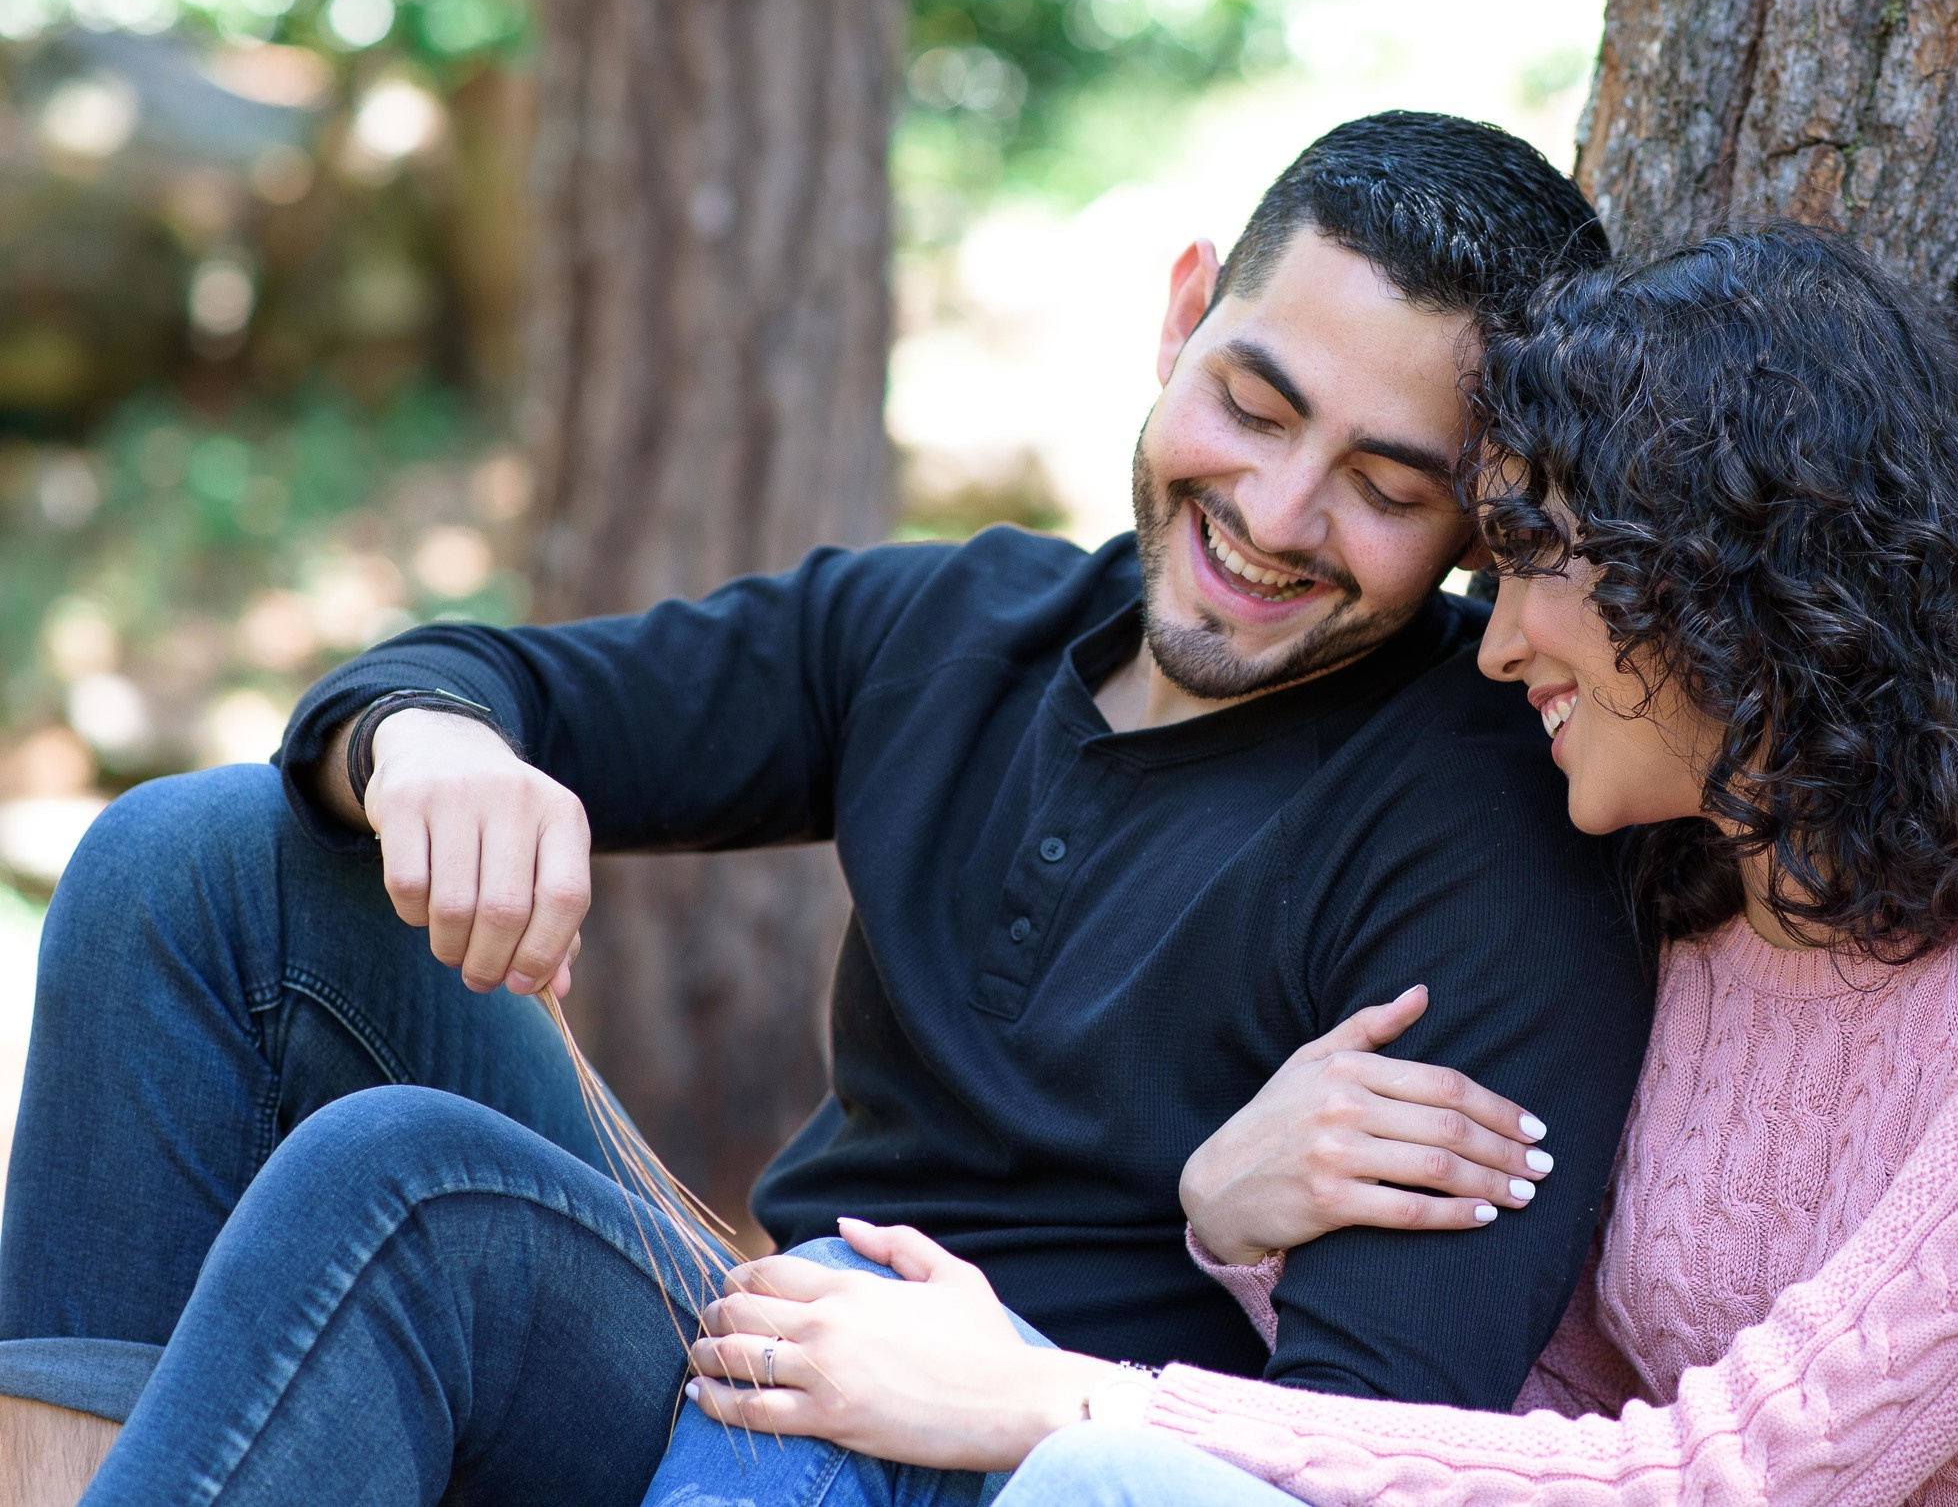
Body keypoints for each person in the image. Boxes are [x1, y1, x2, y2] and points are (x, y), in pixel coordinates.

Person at [0, 112, 1654, 1507]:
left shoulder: (1485, 828)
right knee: (191, 860)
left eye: (1385, 486)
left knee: (410, 1186)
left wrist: (1142, 1289)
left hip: (1014, 1451)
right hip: (755, 1355)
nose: (1278, 513)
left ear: (1479, 521)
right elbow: (484, 678)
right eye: (1257, 406)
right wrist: (433, 740)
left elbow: (1372, 1453)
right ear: (1182, 317)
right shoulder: (956, 623)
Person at [661, 226, 1958, 1506]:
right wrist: (1237, 1225)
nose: (1495, 647)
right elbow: (1535, 1425)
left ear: (1729, 581)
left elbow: (1732, 1478)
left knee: (1108, 1475)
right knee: (862, 1323)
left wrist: (1063, 1395)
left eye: (1540, 566)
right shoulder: (1693, 918)